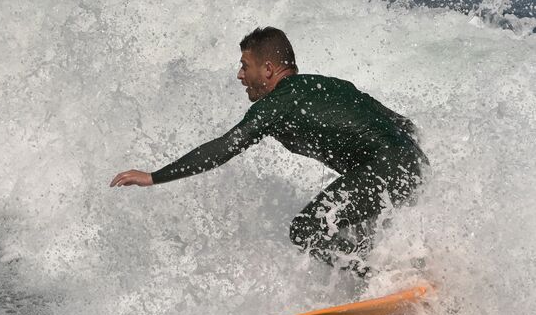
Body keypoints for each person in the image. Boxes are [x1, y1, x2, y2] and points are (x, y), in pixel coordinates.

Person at [110, 27, 429, 274]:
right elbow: (404, 124)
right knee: (354, 232)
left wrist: (154, 176)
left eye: (244, 66)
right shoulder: (329, 85)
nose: (239, 75)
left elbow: (226, 146)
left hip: (384, 168)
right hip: (414, 163)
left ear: (267, 68)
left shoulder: (277, 104)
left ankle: (378, 280)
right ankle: (400, 275)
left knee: (306, 229)